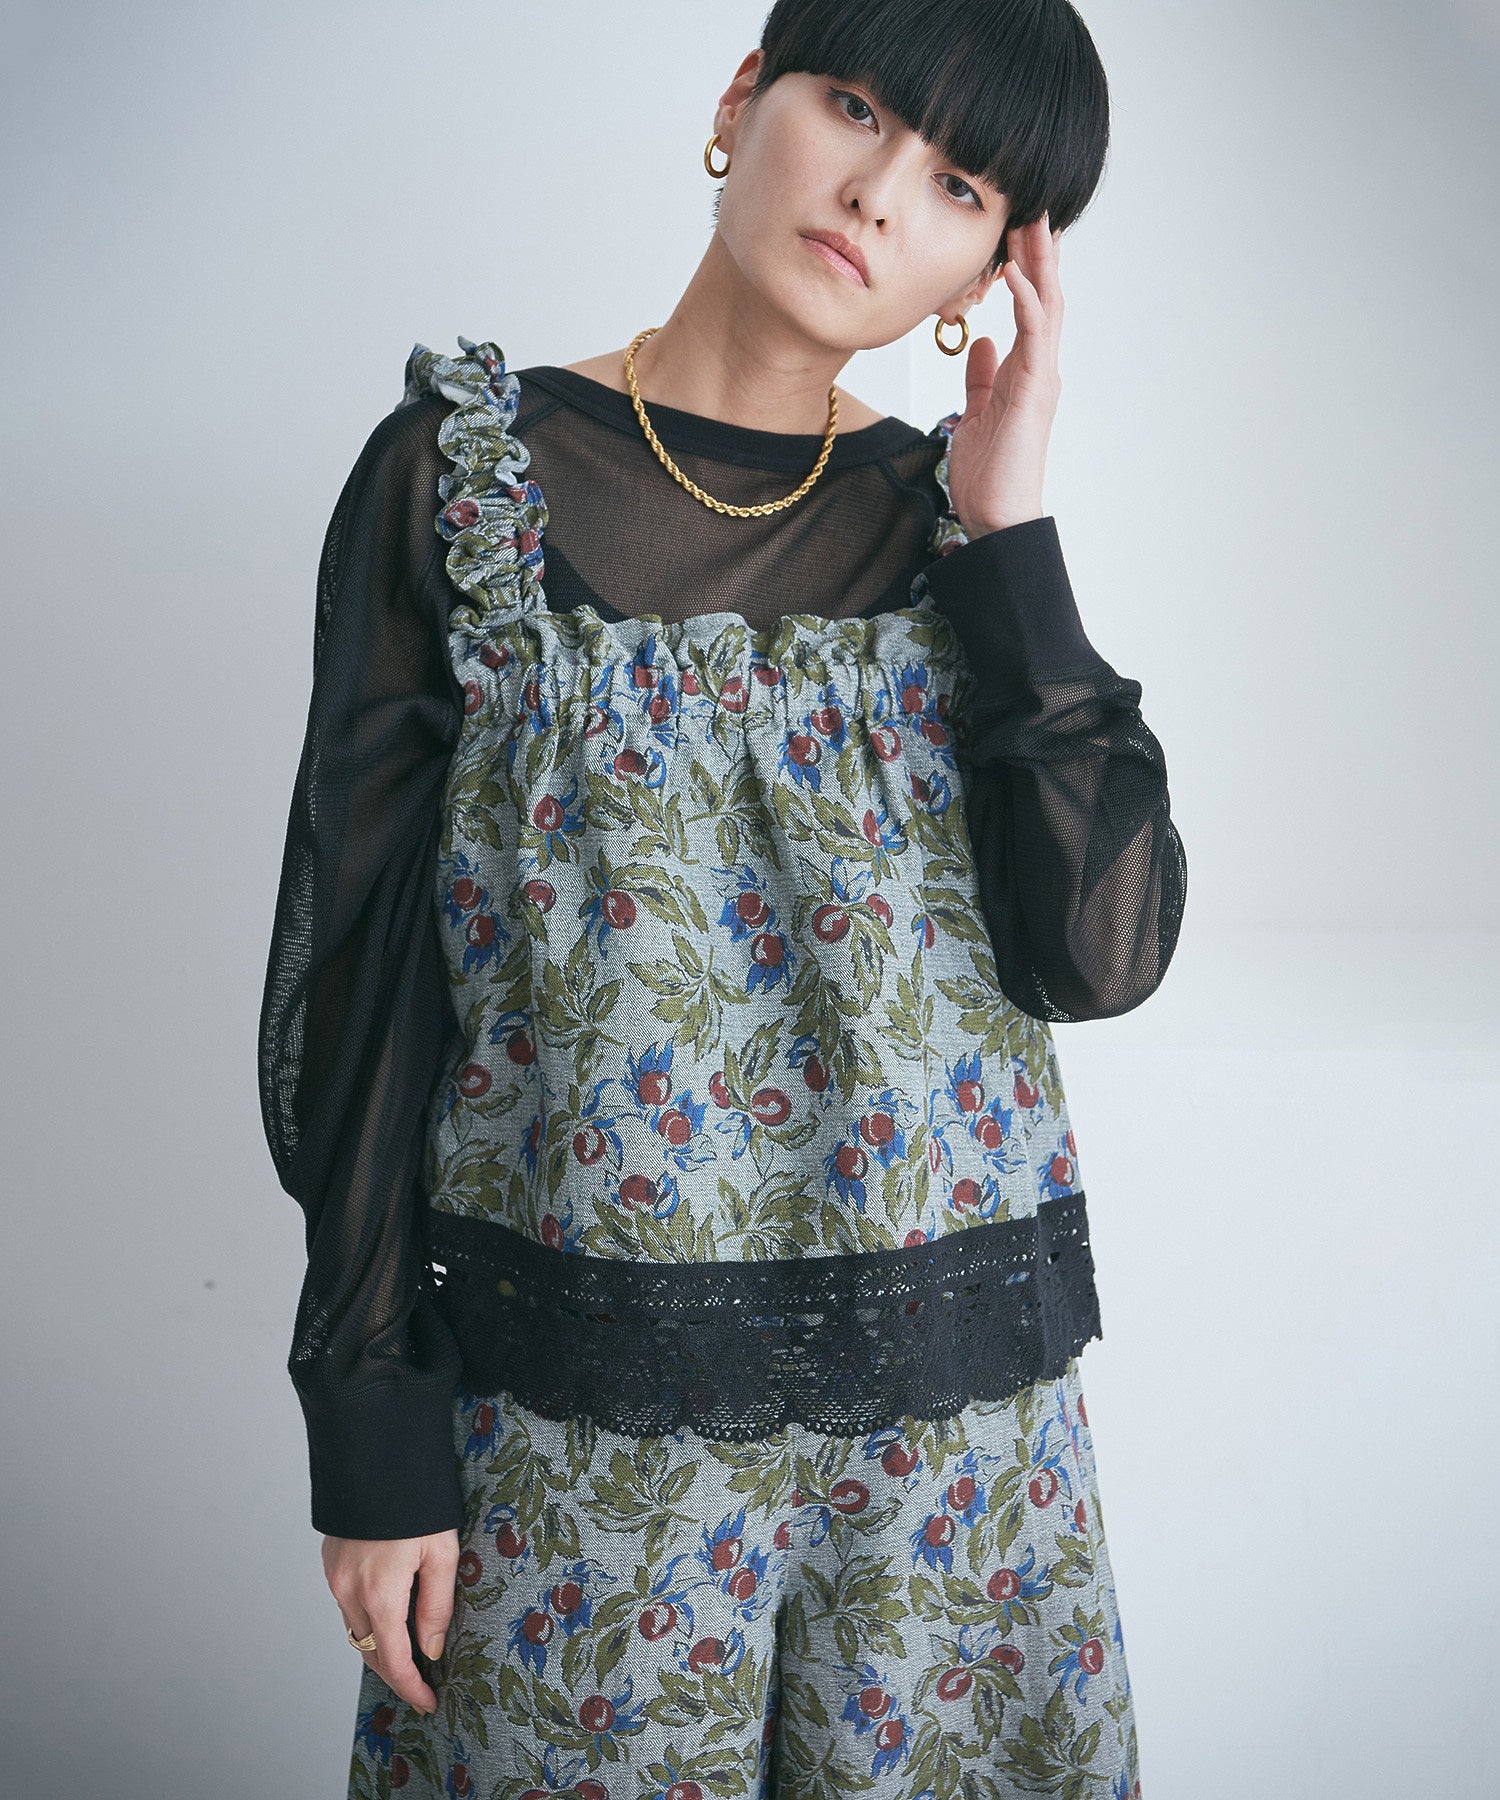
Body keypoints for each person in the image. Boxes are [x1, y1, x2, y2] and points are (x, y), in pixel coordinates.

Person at [257, 3, 1185, 1793]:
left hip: (953, 1449)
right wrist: (370, 1425)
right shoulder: (464, 479)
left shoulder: (958, 535)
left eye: (960, 185)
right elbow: (359, 981)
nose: (880, 194)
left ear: (999, 268)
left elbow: (1102, 953)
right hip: (580, 1415)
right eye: (856, 107)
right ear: (742, 99)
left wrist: (1014, 534)